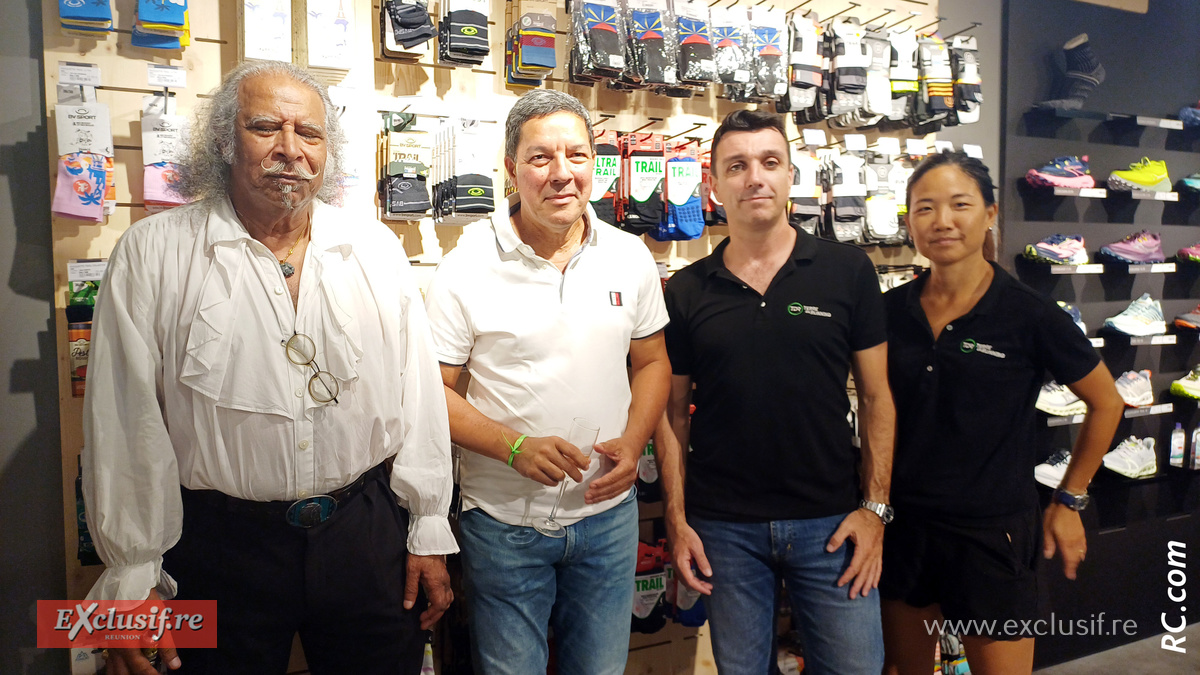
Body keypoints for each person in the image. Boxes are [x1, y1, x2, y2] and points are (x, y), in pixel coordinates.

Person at [82, 61, 456, 675]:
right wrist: (132, 574)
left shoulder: (374, 250)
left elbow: (418, 399)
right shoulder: (154, 253)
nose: (290, 150)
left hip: (365, 538)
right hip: (214, 548)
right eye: (264, 127)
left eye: (309, 134)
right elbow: (124, 423)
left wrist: (429, 528)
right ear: (225, 143)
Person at [423, 89, 671, 675]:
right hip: (505, 526)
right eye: (541, 158)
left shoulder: (629, 254)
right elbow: (431, 392)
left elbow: (654, 362)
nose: (563, 174)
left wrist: (635, 443)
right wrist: (512, 446)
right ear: (510, 169)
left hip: (609, 521)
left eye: (578, 156)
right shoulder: (466, 266)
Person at [655, 109, 895, 674]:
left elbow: (879, 398)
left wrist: (876, 510)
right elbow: (672, 415)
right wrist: (676, 515)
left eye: (769, 162)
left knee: (857, 668)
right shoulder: (687, 290)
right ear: (712, 184)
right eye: (736, 166)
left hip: (833, 522)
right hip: (725, 529)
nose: (754, 178)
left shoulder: (847, 270)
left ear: (791, 176)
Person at [880, 152, 1124, 675]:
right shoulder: (889, 312)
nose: (942, 221)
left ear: (990, 213)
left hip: (993, 535)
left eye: (960, 205)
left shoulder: (1028, 313)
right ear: (910, 222)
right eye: (925, 208)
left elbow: (1107, 400)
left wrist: (1070, 498)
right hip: (904, 527)